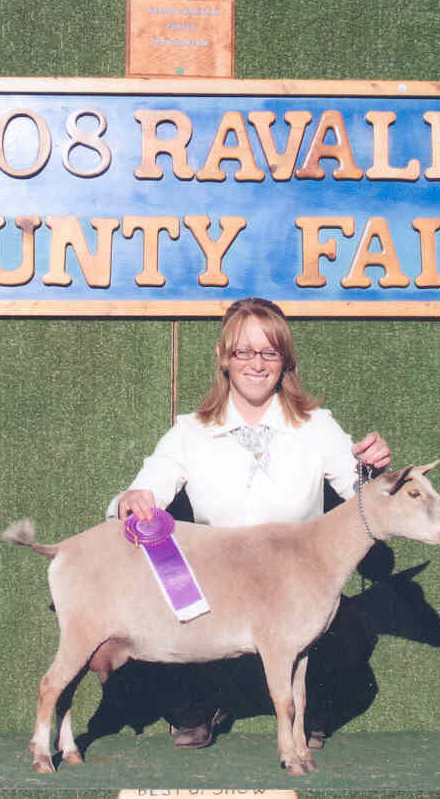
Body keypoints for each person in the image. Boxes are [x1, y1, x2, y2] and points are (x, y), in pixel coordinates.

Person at [107, 297, 391, 748]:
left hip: (297, 589)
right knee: (165, 611)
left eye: (269, 353)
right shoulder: (190, 432)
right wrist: (134, 498)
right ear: (223, 357)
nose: (256, 364)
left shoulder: (318, 427)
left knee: (350, 626)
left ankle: (312, 711)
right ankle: (197, 708)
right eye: (243, 352)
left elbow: (361, 494)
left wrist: (372, 472)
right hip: (222, 591)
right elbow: (148, 486)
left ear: (285, 361)